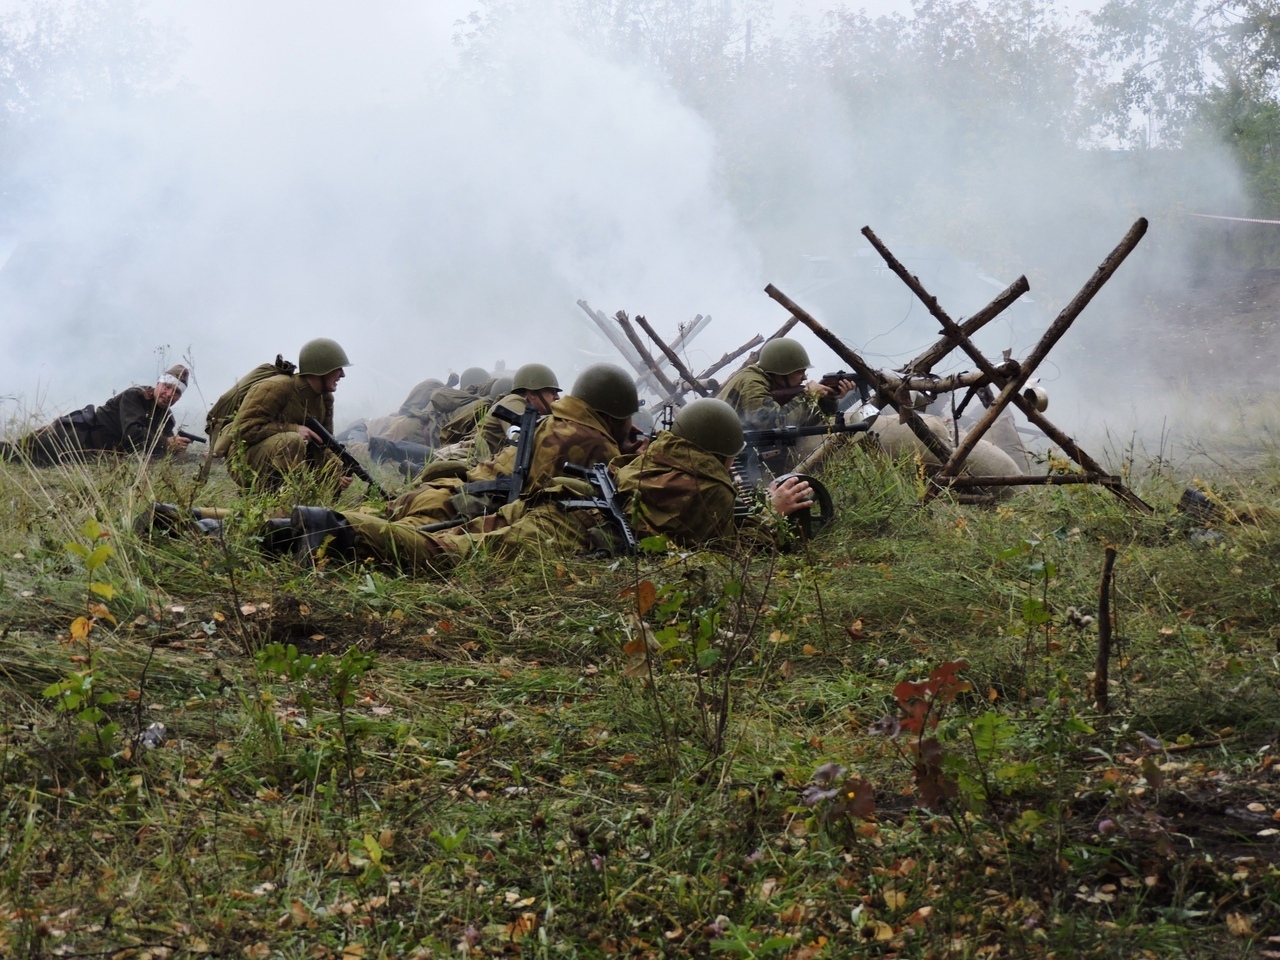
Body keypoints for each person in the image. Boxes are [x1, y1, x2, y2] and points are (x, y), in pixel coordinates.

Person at [282, 397, 814, 573]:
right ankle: (332, 528)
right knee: (443, 554)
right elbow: (731, 550)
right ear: (722, 451)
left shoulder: (657, 457)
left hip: (558, 510)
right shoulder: (710, 488)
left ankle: (272, 529)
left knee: (446, 537)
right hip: (570, 534)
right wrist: (774, 514)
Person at [224, 338, 354, 491]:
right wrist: (293, 429)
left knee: (335, 464)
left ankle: (303, 502)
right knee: (292, 440)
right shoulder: (277, 387)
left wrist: (336, 471)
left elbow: (324, 444)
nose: (342, 375)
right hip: (244, 462)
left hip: (284, 458)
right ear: (321, 369)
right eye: (338, 369)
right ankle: (271, 499)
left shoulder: (325, 398)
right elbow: (242, 431)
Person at [1, 364, 192, 466]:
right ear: (158, 384)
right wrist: (167, 442)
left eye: (176, 392)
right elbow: (133, 434)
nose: (169, 394)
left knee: (36, 463)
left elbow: (159, 450)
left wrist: (177, 447)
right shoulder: (135, 396)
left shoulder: (166, 418)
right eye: (167, 387)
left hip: (89, 455)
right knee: (15, 453)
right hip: (72, 435)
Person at [718, 338, 856, 473]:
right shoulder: (752, 384)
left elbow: (803, 423)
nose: (804, 378)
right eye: (799, 372)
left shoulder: (766, 381)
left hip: (746, 456)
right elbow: (777, 425)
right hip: (731, 461)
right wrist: (806, 395)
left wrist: (828, 399)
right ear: (781, 371)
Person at [471, 362, 561, 461]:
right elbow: (525, 440)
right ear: (532, 394)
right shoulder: (513, 402)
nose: (557, 397)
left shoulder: (528, 410)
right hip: (469, 456)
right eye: (552, 391)